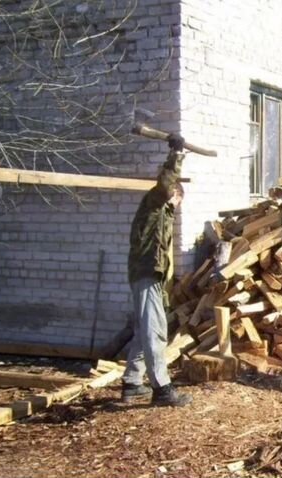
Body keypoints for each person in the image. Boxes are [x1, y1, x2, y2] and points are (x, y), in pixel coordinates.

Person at [122, 133, 193, 407]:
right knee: (155, 332)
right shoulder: (154, 206)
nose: (177, 206)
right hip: (147, 275)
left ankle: (131, 383)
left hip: (152, 276)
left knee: (143, 331)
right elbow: (164, 184)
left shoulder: (163, 215)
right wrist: (176, 155)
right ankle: (162, 389)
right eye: (177, 200)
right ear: (174, 195)